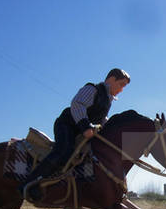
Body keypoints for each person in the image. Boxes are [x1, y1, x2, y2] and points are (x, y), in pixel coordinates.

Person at [19, 68, 131, 199]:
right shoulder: (93, 89)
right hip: (67, 125)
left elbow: (101, 119)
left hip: (82, 132)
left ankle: (72, 200)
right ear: (112, 79)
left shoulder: (108, 100)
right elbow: (78, 104)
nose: (122, 89)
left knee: (89, 159)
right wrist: (85, 126)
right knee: (64, 150)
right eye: (121, 84)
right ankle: (30, 183)